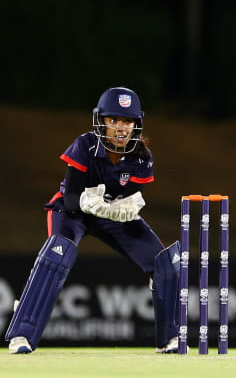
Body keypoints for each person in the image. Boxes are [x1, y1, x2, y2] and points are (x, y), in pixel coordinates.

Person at [5, 87, 182, 354]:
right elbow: (72, 197)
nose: (121, 128)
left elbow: (134, 198)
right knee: (57, 256)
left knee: (165, 264)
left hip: (111, 216)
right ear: (102, 121)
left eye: (127, 121)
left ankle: (170, 338)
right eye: (114, 121)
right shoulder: (85, 145)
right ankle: (22, 334)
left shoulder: (142, 157)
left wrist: (129, 206)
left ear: (137, 124)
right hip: (72, 212)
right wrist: (87, 203)